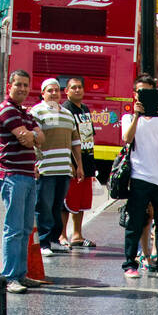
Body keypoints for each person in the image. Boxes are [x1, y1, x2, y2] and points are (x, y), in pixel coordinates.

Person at [120, 74, 158, 278]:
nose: (142, 96)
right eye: (140, 92)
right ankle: (130, 263)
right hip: (139, 176)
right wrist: (137, 116)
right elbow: (127, 138)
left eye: (148, 92)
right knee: (135, 222)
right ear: (134, 94)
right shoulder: (128, 116)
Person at [0, 69, 44, 294]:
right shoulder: (7, 110)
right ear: (9, 86)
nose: (23, 89)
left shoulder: (23, 112)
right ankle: (10, 276)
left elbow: (41, 139)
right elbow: (26, 140)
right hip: (13, 175)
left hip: (27, 175)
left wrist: (32, 135)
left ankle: (21, 274)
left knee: (25, 229)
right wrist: (33, 135)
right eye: (18, 85)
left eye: (26, 85)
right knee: (13, 229)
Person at [31, 78, 84, 259]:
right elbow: (32, 141)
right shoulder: (36, 112)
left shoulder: (68, 114)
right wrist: (34, 164)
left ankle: (54, 240)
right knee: (43, 207)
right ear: (43, 93)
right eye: (49, 90)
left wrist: (79, 166)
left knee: (56, 207)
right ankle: (43, 243)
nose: (54, 93)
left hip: (63, 170)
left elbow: (76, 142)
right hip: (45, 169)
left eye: (56, 90)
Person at [62, 76, 96, 249]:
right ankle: (62, 235)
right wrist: (75, 164)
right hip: (72, 163)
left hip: (87, 160)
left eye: (80, 87)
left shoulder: (84, 109)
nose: (77, 90)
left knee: (82, 202)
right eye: (73, 87)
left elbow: (89, 136)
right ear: (66, 91)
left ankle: (77, 234)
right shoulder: (65, 110)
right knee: (68, 202)